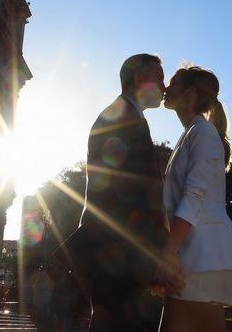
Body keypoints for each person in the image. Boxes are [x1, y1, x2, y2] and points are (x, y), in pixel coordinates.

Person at [55, 53, 169, 332]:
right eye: (160, 79)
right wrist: (158, 250)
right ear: (140, 79)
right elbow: (126, 190)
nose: (164, 88)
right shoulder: (120, 118)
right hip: (119, 250)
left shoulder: (128, 117)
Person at [157, 65, 232, 332]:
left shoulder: (202, 132)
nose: (166, 88)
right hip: (200, 252)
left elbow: (194, 194)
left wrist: (168, 252)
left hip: (203, 253)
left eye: (172, 83)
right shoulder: (193, 132)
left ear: (190, 92)